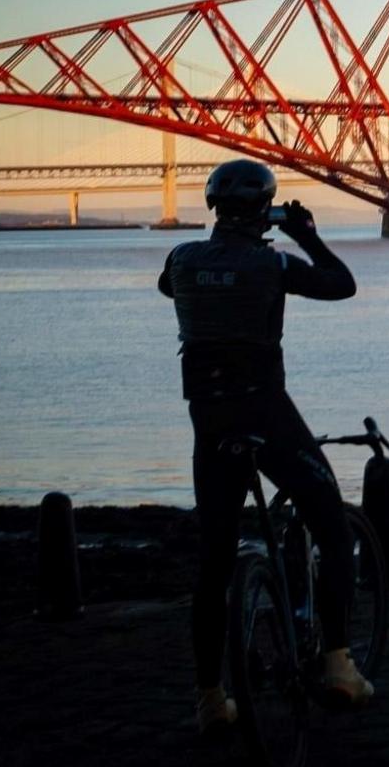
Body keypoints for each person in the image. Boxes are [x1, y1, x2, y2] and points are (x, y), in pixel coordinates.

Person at [159, 159, 374, 734]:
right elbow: (341, 284)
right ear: (264, 210)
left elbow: (168, 286)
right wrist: (305, 234)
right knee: (330, 525)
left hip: (209, 425)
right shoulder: (272, 263)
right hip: (265, 413)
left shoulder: (179, 260)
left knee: (215, 562)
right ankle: (337, 665)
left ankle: (209, 699)